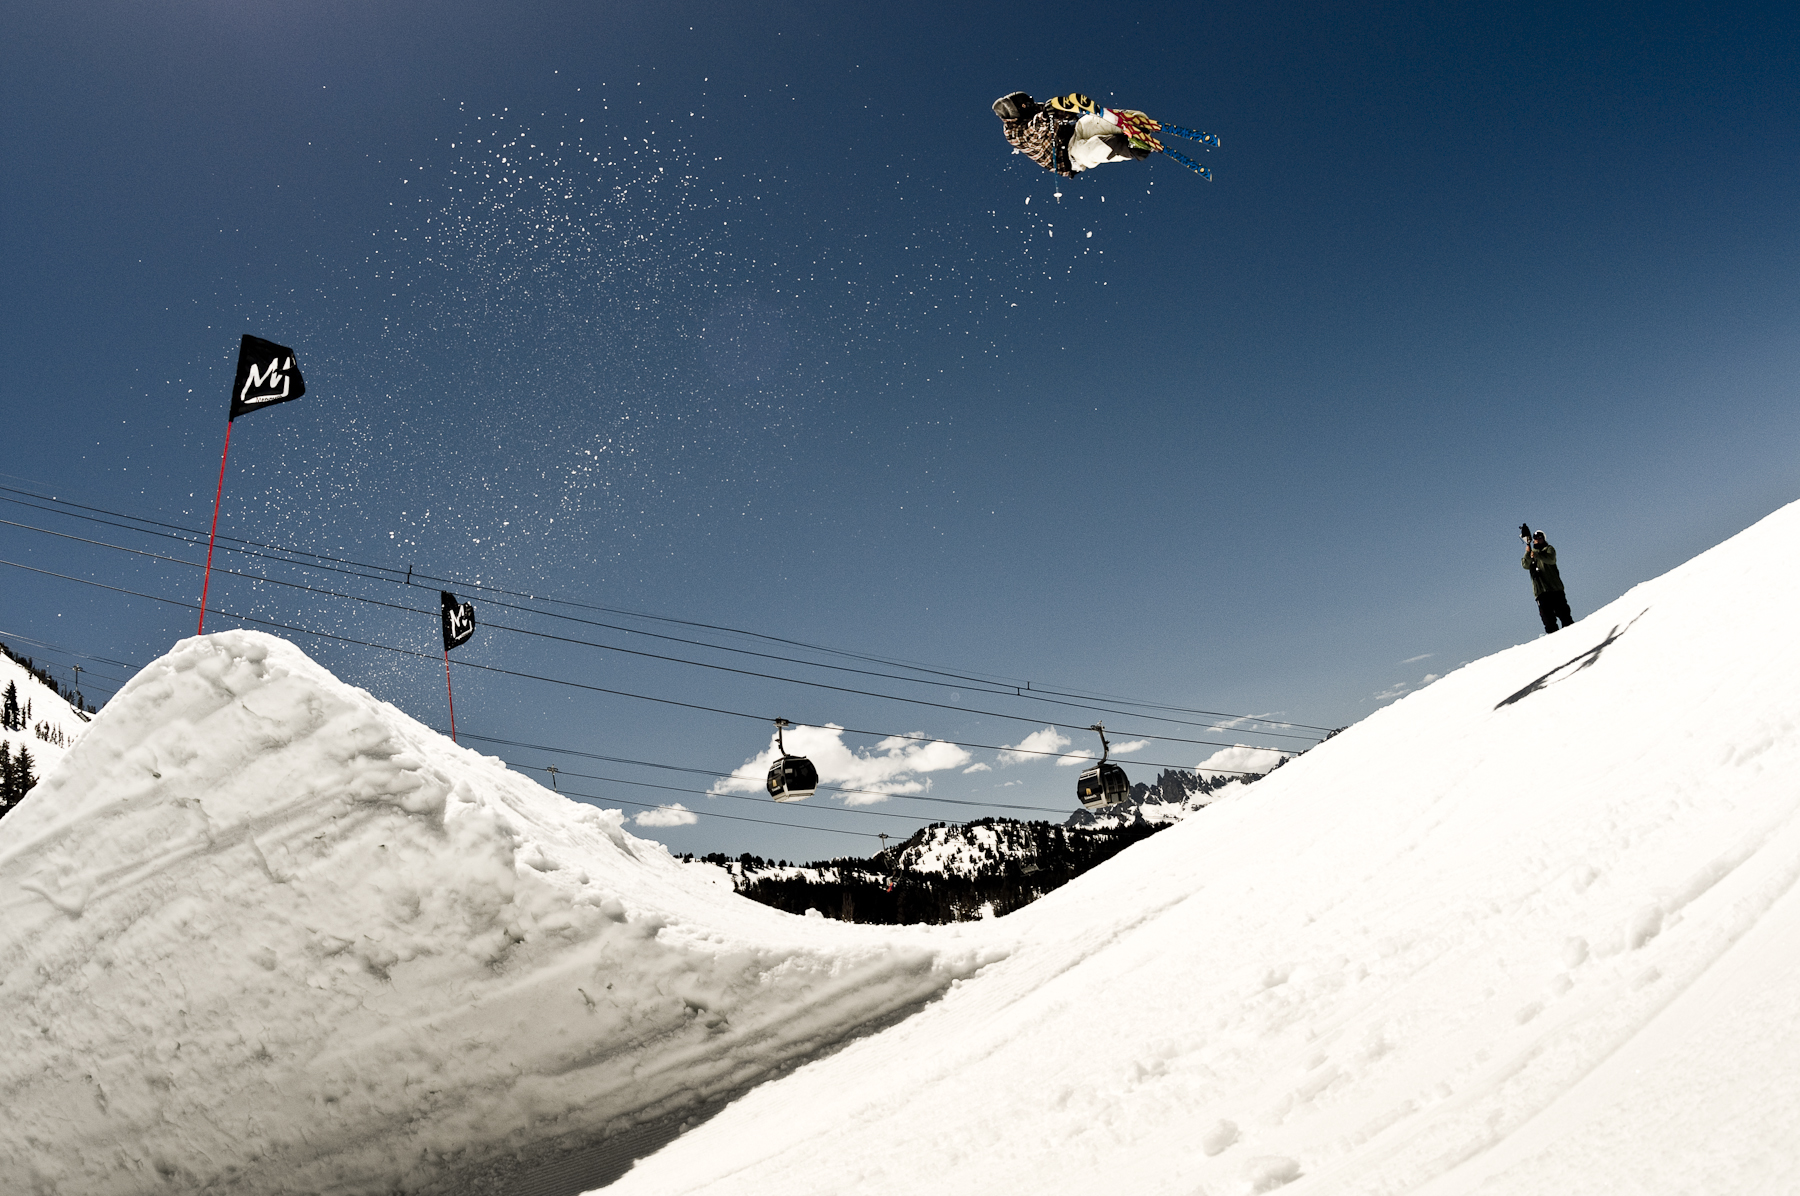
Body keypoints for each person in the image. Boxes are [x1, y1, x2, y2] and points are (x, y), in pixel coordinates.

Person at [991, 92, 1157, 178]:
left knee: (1092, 120)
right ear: (1018, 110)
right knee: (1090, 149)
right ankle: (1131, 147)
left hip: (1074, 132)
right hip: (1069, 158)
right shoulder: (1012, 132)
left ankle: (1134, 123)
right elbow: (1033, 133)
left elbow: (1065, 115)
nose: (1033, 105)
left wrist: (1065, 111)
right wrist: (1046, 116)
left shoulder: (1035, 109)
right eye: (1028, 104)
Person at [1523, 529, 1575, 633]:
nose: (1537, 540)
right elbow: (1525, 565)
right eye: (1535, 538)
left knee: (1565, 616)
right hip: (1541, 592)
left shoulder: (1549, 549)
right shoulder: (1531, 554)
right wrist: (1528, 553)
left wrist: (1536, 555)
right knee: (1549, 621)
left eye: (1540, 537)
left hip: (1555, 588)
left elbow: (1551, 559)